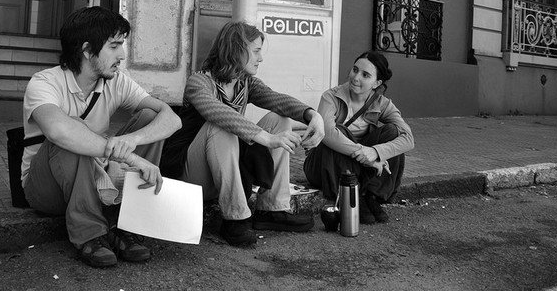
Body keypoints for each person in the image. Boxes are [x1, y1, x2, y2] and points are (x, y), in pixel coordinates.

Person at [21, 6, 181, 268]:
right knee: (72, 128)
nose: (123, 55)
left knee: (151, 117)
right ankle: (90, 235)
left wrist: (134, 139)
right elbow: (59, 131)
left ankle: (127, 225)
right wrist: (133, 159)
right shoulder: (44, 82)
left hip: (96, 175)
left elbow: (171, 118)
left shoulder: (117, 81)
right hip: (46, 189)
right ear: (86, 50)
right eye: (114, 46)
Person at [160, 21, 325, 247]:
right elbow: (216, 111)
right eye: (256, 51)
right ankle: (235, 217)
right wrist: (265, 138)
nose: (261, 58)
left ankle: (271, 209)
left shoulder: (246, 84)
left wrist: (312, 115)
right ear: (236, 49)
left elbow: (276, 100)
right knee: (220, 124)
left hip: (225, 171)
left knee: (279, 119)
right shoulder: (199, 81)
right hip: (190, 174)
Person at [303, 51, 414, 224]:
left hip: (356, 166)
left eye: (365, 75)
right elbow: (328, 134)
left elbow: (408, 139)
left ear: (377, 82)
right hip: (322, 164)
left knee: (392, 132)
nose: (355, 77)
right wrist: (365, 156)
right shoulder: (331, 97)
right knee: (338, 131)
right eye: (355, 70)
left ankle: (371, 195)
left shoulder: (382, 103)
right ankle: (348, 196)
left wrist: (376, 151)